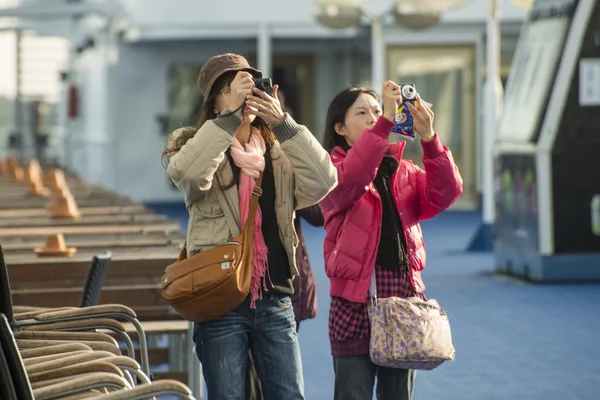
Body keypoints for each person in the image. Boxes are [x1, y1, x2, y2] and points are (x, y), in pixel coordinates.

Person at [163, 53, 337, 400]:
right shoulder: (190, 143)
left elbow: (324, 181)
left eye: (252, 87)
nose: (248, 97)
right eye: (235, 88)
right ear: (214, 102)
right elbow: (190, 175)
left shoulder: (278, 150)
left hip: (274, 295)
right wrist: (229, 121)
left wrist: (284, 123)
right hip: (220, 297)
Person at [319, 83, 463, 400]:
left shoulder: (405, 171)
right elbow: (353, 179)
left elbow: (446, 194)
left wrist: (429, 138)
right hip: (353, 303)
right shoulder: (330, 171)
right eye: (363, 112)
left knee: (397, 394)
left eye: (378, 110)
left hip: (401, 297)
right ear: (340, 127)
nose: (374, 117)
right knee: (352, 393)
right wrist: (385, 122)